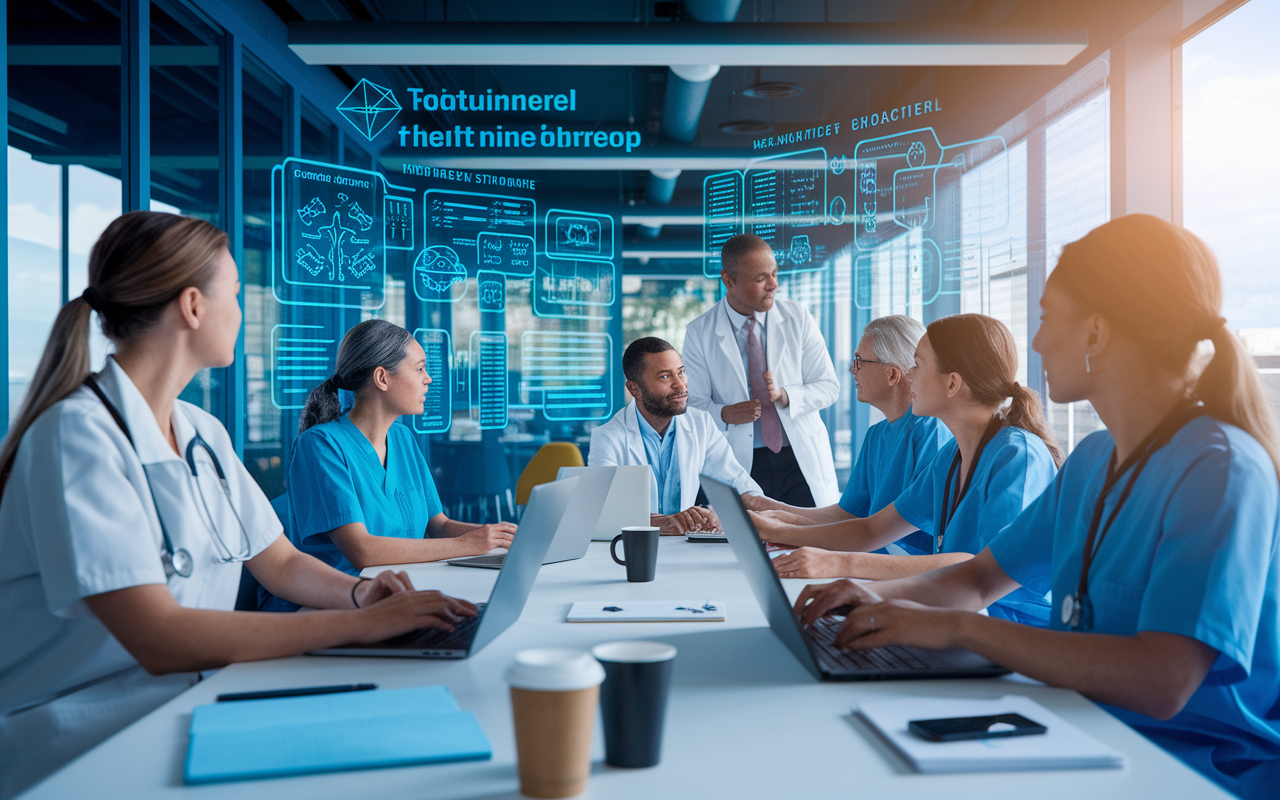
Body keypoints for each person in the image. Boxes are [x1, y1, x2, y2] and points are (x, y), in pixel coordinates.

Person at [793, 215, 1280, 799]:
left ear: (1097, 332)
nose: (1039, 342)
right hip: (1081, 725)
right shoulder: (1096, 458)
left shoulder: (1220, 467)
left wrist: (953, 629)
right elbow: (977, 577)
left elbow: (1162, 681)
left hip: (1189, 765)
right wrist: (871, 600)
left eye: (1049, 318)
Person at [0, 212, 475, 799]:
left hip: (195, 700)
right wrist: (355, 625)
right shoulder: (76, 437)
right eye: (233, 294)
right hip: (85, 740)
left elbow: (279, 563)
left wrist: (363, 594)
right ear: (193, 307)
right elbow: (159, 638)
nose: (243, 312)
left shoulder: (201, 430)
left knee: (414, 741)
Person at [756, 314, 1062, 627]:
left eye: (917, 364)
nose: (909, 375)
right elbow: (872, 529)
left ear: (952, 383)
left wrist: (838, 564)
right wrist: (780, 530)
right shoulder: (951, 457)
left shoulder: (1018, 457)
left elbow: (978, 568)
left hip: (1008, 628)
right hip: (950, 617)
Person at [280, 320, 517, 583]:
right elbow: (362, 551)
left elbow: (438, 526)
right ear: (382, 378)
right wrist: (469, 545)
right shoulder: (320, 445)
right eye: (419, 369)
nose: (428, 379)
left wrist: (500, 538)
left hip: (407, 585)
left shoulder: (403, 438)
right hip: (342, 597)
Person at [748, 315, 951, 556]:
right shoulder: (876, 435)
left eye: (859, 361)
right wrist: (769, 509)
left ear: (892, 376)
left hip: (904, 573)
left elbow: (873, 532)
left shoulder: (931, 433)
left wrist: (780, 530)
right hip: (866, 563)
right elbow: (847, 514)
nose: (851, 369)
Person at [684, 233, 840, 508]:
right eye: (761, 279)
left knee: (809, 543)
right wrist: (724, 413)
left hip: (798, 461)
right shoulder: (699, 332)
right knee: (746, 544)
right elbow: (691, 406)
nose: (773, 285)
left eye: (774, 274)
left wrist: (786, 395)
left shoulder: (798, 317)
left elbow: (828, 386)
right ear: (728, 281)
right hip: (740, 464)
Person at [589, 337, 763, 535]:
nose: (680, 385)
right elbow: (599, 512)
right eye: (665, 377)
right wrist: (665, 522)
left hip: (685, 548)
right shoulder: (607, 438)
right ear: (634, 389)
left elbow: (740, 487)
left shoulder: (701, 424)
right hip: (634, 550)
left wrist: (795, 520)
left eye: (681, 373)